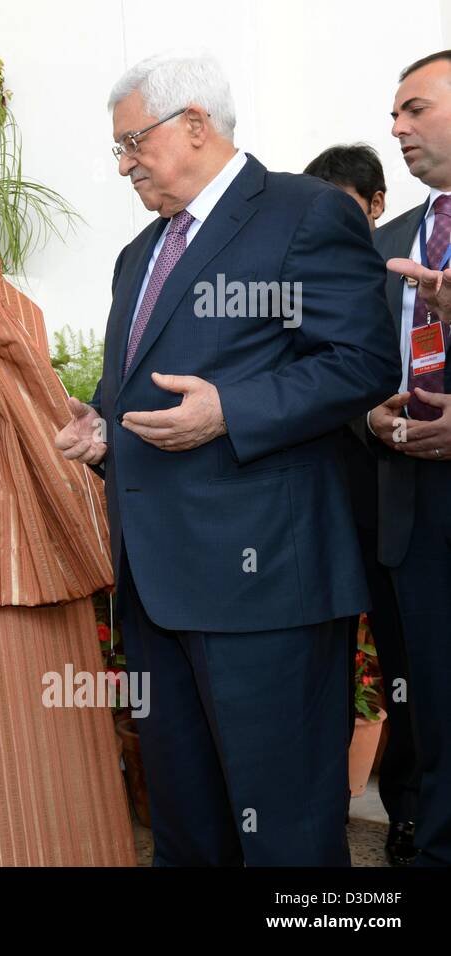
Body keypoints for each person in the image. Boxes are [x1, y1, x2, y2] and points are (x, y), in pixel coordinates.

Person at [55, 52, 400, 865]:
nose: (125, 162)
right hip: (156, 591)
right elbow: (135, 396)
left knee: (284, 832)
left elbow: (361, 361)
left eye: (133, 141)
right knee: (186, 829)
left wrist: (230, 412)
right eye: (119, 148)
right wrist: (101, 431)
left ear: (197, 125)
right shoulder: (139, 254)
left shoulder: (305, 213)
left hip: (265, 592)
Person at [303, 143, 419, 867]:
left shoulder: (404, 257)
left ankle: (410, 813)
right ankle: (334, 815)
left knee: (413, 667)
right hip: (335, 503)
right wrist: (362, 414)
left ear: (376, 204)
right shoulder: (315, 274)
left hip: (412, 497)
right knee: (332, 668)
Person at [366, 48, 451, 868]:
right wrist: (365, 410)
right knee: (419, 702)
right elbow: (344, 362)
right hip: (402, 511)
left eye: (414, 109)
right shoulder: (384, 241)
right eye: (393, 113)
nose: (396, 128)